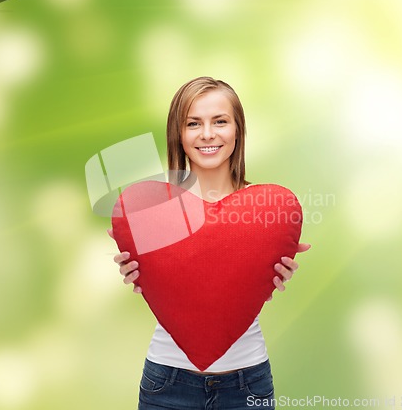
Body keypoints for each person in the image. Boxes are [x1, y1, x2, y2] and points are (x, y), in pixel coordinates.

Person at [109, 77, 311, 409]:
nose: (207, 134)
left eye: (220, 121)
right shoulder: (154, 211)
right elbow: (164, 281)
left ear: (237, 130)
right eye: (193, 123)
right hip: (167, 384)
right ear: (179, 134)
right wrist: (137, 272)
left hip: (247, 384)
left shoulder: (268, 211)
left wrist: (273, 267)